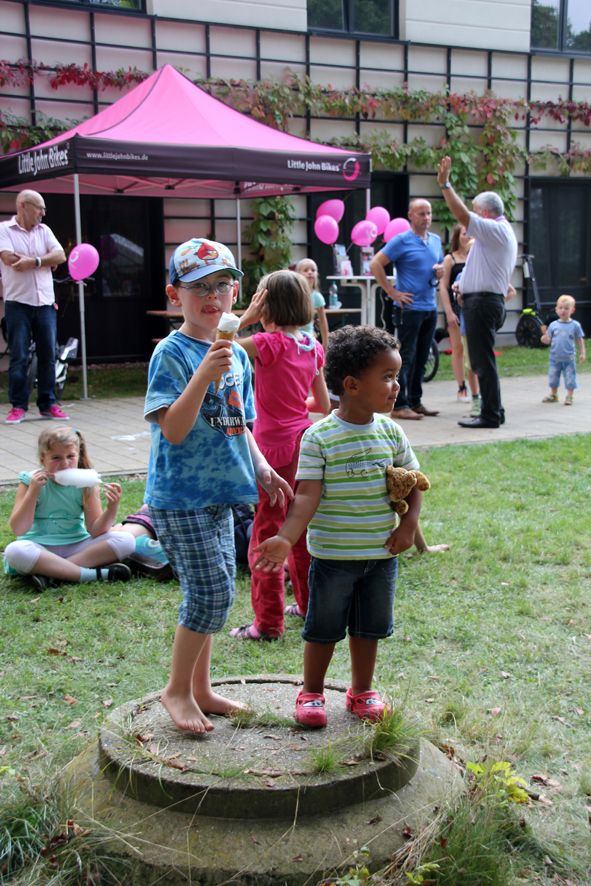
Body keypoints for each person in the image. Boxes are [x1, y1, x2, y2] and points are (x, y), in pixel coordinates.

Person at [144, 237, 292, 735]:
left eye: (223, 285)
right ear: (174, 294)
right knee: (207, 594)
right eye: (198, 287)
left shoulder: (240, 358)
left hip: (224, 494)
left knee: (219, 589)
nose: (212, 296)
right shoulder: (171, 353)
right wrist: (203, 375)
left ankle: (202, 689)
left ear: (236, 293)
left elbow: (240, 424)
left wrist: (263, 468)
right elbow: (174, 428)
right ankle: (176, 690)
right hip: (180, 498)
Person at [253, 325, 423, 728]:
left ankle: (362, 690)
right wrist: (285, 538)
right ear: (351, 384)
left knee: (368, 630)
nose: (396, 386)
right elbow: (307, 496)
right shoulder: (319, 437)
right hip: (332, 558)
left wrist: (409, 525)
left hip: (380, 557)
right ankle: (312, 691)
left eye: (396, 376)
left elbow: (414, 482)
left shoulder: (392, 432)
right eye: (387, 377)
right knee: (323, 629)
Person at [229, 270, 331, 641]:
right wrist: (291, 401)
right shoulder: (312, 346)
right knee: (300, 531)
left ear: (265, 304)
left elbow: (218, 348)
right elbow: (320, 403)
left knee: (267, 534)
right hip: (305, 443)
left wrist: (243, 319)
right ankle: (306, 606)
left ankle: (268, 622)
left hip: (272, 451)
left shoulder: (266, 343)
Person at [437, 156, 517, 429]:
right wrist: (463, 284)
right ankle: (494, 411)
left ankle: (491, 415)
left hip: (482, 305)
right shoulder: (497, 234)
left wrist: (446, 185)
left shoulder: (495, 229)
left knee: (482, 363)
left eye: (475, 211)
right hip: (483, 301)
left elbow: (461, 216)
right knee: (483, 361)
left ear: (484, 213)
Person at [3, 427, 134, 592]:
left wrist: (112, 508)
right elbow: (19, 528)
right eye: (56, 458)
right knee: (15, 551)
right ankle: (90, 574)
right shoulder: (29, 481)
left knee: (126, 540)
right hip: (39, 547)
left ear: (78, 456)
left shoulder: (86, 483)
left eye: (70, 456)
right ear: (43, 459)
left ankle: (51, 572)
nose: (64, 463)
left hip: (77, 546)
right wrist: (33, 493)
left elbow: (96, 530)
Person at [370, 199, 443, 421]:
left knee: (423, 356)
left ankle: (415, 401)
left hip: (430, 305)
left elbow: (437, 266)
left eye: (429, 213)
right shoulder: (401, 240)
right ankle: (399, 404)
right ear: (410, 215)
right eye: (421, 213)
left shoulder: (436, 241)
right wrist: (392, 292)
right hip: (409, 308)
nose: (426, 218)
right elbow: (376, 264)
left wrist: (439, 272)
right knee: (406, 357)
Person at [0, 190, 69, 424]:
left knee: (48, 355)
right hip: (17, 303)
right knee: (19, 356)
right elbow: (9, 259)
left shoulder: (45, 230)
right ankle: (18, 406)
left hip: (45, 304)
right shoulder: (4, 230)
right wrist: (44, 261)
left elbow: (60, 256)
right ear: (23, 206)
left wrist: (36, 261)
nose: (43, 213)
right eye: (39, 207)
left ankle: (47, 403)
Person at [439, 224, 480, 412]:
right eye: (464, 234)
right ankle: (461, 387)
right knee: (458, 348)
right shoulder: (451, 259)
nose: (467, 237)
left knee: (472, 351)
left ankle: (476, 389)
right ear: (458, 236)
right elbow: (443, 286)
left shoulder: (477, 258)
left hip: (472, 309)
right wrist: (448, 311)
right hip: (456, 309)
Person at [540, 294, 585, 405]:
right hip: (554, 358)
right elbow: (547, 339)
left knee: (570, 377)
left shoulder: (575, 325)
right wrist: (544, 339)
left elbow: (580, 339)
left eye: (566, 308)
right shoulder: (553, 325)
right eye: (560, 308)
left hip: (569, 358)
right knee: (553, 377)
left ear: (572, 310)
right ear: (556, 309)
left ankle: (569, 396)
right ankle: (554, 395)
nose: (563, 311)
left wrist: (582, 353)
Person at [294, 258, 329, 351]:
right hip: (292, 335)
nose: (310, 272)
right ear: (297, 275)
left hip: (309, 337)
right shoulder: (292, 294)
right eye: (306, 270)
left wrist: (325, 342)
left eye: (313, 270)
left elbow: (323, 321)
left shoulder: (317, 296)